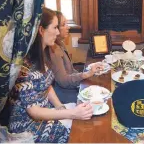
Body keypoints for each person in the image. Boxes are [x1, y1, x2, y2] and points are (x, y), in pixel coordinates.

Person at [8, 8, 93, 143]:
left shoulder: (44, 55)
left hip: (45, 114)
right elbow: (34, 111)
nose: (58, 32)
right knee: (76, 135)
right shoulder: (23, 67)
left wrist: (59, 106)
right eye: (55, 27)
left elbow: (47, 85)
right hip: (27, 127)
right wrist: (72, 113)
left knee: (84, 127)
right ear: (41, 30)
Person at [47, 11, 102, 103]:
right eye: (64, 24)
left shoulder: (60, 44)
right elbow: (63, 81)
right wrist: (86, 75)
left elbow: (71, 71)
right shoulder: (54, 51)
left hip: (70, 89)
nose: (68, 27)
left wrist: (88, 73)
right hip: (64, 95)